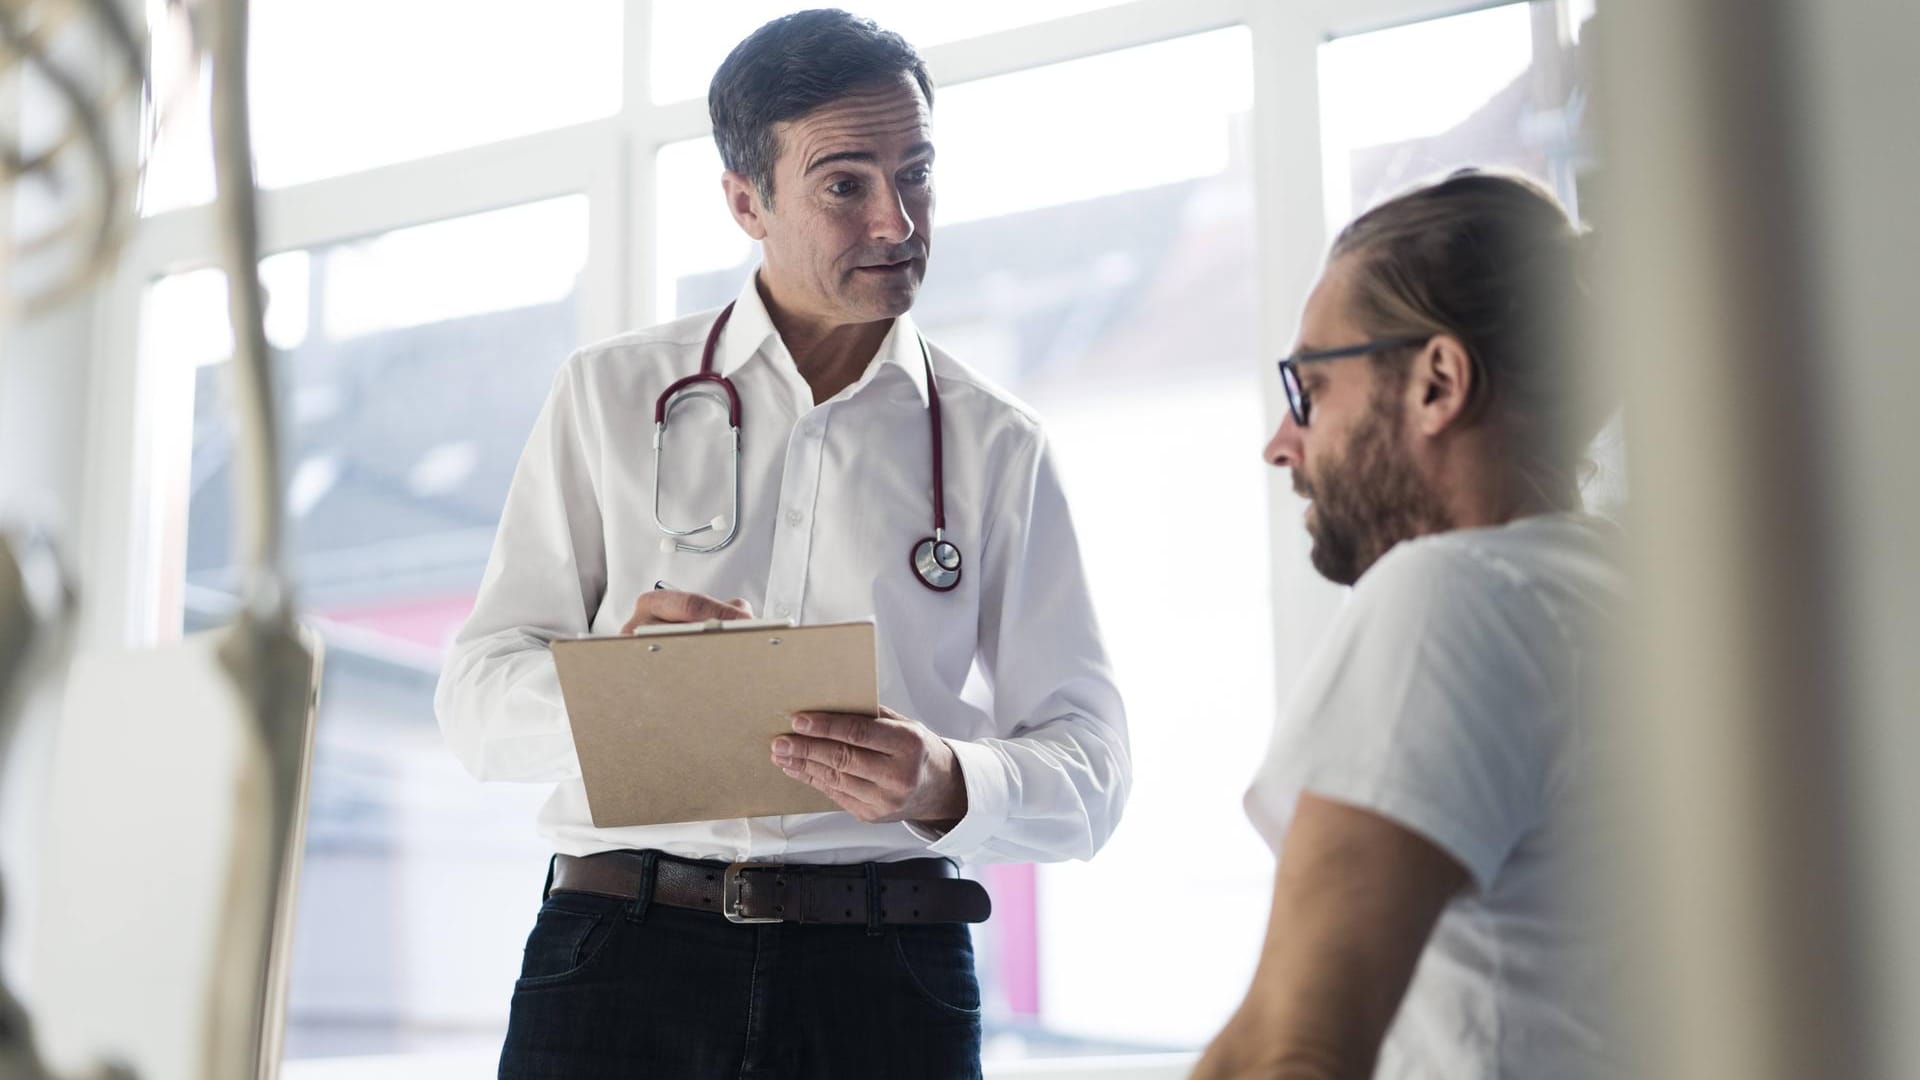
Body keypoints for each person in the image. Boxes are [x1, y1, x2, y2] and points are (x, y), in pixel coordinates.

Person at [433, 10, 1129, 1079]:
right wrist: (623, 691)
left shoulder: (996, 446)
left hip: (889, 974)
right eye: (846, 183)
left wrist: (950, 776)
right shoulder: (612, 396)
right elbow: (477, 704)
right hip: (621, 957)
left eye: (919, 173)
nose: (898, 219)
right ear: (746, 201)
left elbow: (1094, 767)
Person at [1193, 171, 1622, 1079]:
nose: (1282, 441)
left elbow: (1288, 1050)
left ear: (1438, 381)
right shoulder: (1618, 589)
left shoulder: (1457, 596)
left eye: (1310, 389)